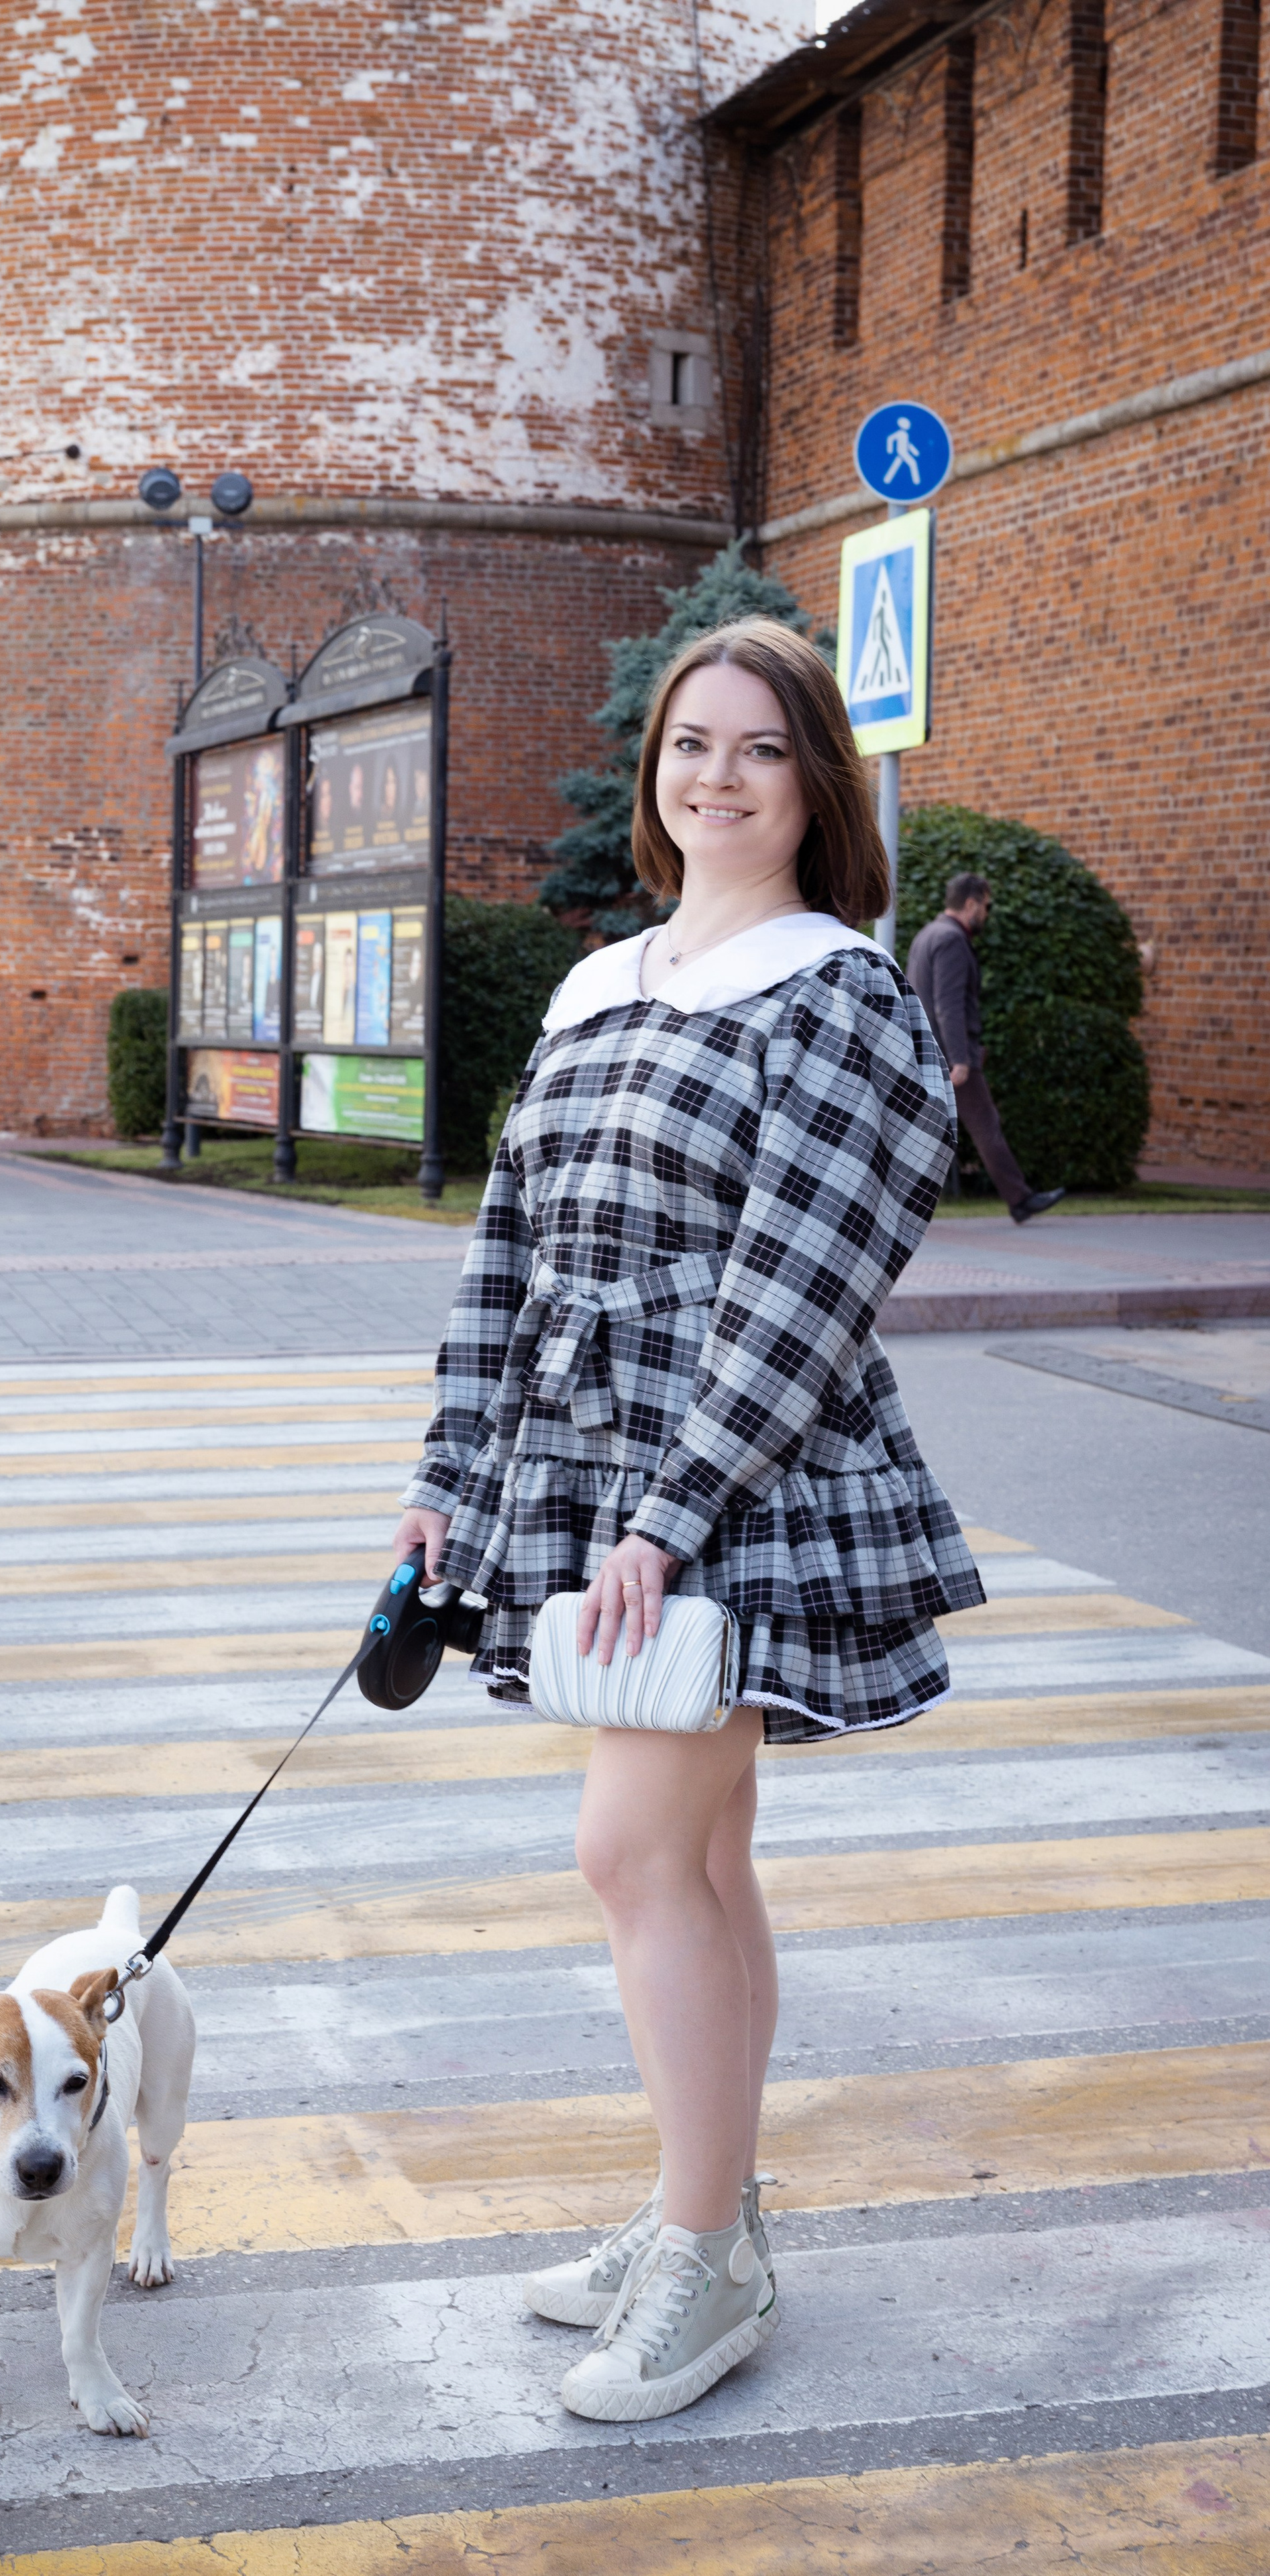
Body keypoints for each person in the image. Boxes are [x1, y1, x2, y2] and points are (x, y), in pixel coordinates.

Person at [392, 617, 984, 2424]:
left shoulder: (840, 996)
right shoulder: (603, 987)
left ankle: (708, 2260)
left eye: (759, 749)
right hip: (600, 1476)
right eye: (689, 744)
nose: (716, 777)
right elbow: (515, 1247)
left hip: (742, 1476)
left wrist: (671, 1505)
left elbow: (807, 1283)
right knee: (704, 1863)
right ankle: (694, 2213)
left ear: (817, 783)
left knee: (630, 1856)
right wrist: (446, 1470)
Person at [906, 874, 1064, 1224]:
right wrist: (960, 1059)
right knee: (986, 1126)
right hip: (950, 1057)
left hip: (927, 1052)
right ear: (972, 904)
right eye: (987, 906)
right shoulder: (951, 940)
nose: (987, 915)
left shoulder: (927, 935)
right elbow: (949, 1005)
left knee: (922, 1131)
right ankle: (1020, 1199)